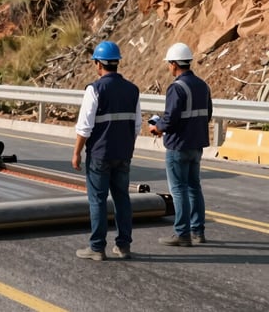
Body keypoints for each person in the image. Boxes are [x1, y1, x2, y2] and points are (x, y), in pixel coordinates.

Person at [72, 41, 141, 261]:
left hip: (100, 154)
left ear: (98, 64)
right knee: (122, 199)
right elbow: (137, 125)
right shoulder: (132, 90)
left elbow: (85, 126)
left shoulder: (94, 89)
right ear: (117, 63)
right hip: (123, 154)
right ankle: (123, 246)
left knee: (98, 200)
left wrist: (76, 152)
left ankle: (97, 247)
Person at [150, 42, 212, 247]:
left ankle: (182, 233)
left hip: (178, 146)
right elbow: (207, 114)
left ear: (175, 64)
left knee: (178, 190)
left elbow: (170, 118)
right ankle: (198, 231)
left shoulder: (176, 88)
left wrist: (157, 127)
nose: (169, 67)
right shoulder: (203, 85)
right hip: (197, 145)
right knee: (194, 187)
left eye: (169, 63)